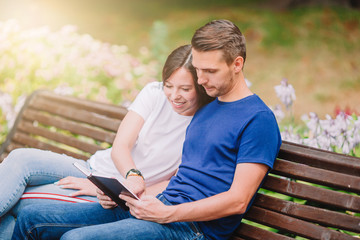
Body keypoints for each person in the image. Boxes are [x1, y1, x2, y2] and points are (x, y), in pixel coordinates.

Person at [12, 19, 281, 240]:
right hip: (157, 205)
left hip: (194, 227)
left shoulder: (258, 120)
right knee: (32, 217)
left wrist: (168, 214)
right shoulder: (207, 109)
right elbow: (179, 178)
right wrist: (122, 195)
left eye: (209, 71)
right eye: (198, 70)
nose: (200, 80)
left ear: (237, 64)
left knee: (77, 239)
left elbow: (237, 200)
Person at [0, 44, 213, 240]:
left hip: (114, 197)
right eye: (169, 85)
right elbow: (121, 146)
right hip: (93, 169)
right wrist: (129, 175)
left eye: (185, 89)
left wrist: (110, 190)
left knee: (21, 205)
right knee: (20, 159)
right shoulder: (154, 93)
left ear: (201, 86)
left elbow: (173, 183)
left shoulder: (205, 124)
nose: (174, 95)